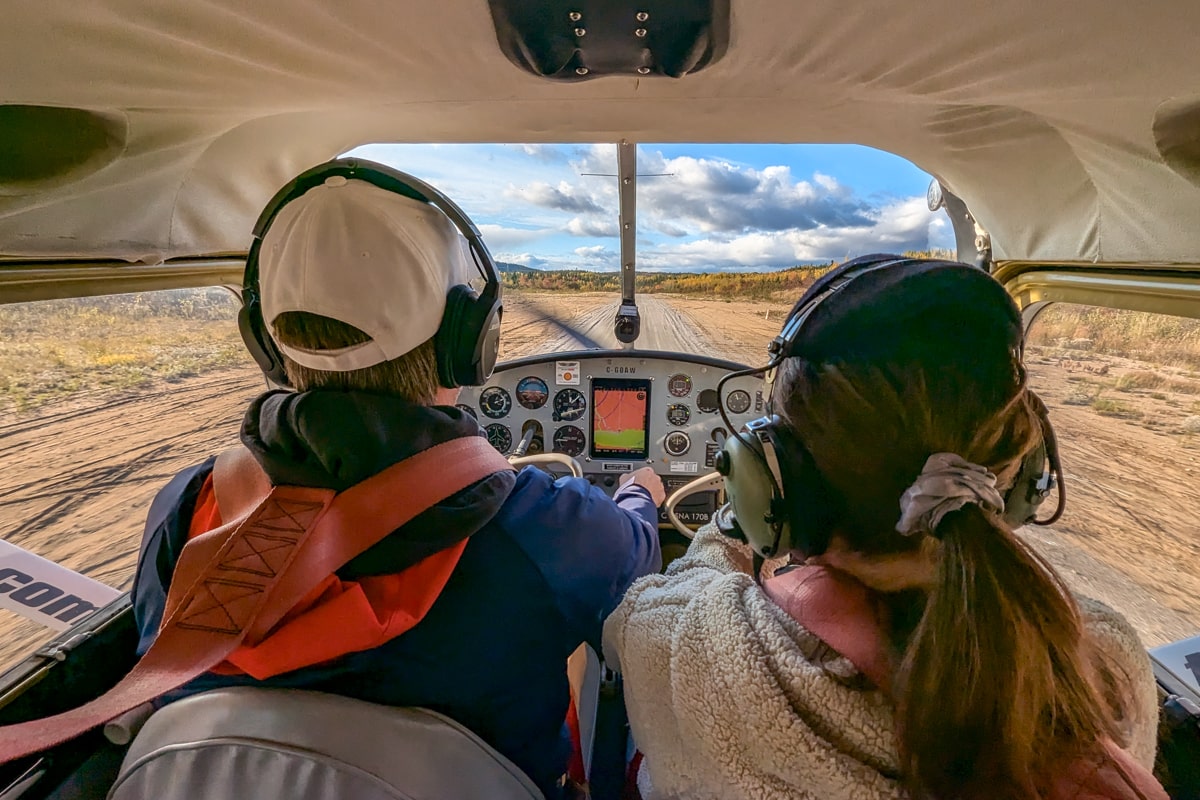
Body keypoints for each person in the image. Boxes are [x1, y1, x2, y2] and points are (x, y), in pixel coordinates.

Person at [130, 158, 664, 798]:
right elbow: (640, 564)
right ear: (471, 342)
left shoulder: (191, 505)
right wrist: (642, 493)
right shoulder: (543, 525)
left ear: (265, 342)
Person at [603, 255, 1166, 800]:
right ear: (1022, 473)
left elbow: (630, 617)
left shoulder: (690, 648)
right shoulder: (1104, 658)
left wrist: (739, 522)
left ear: (780, 485)